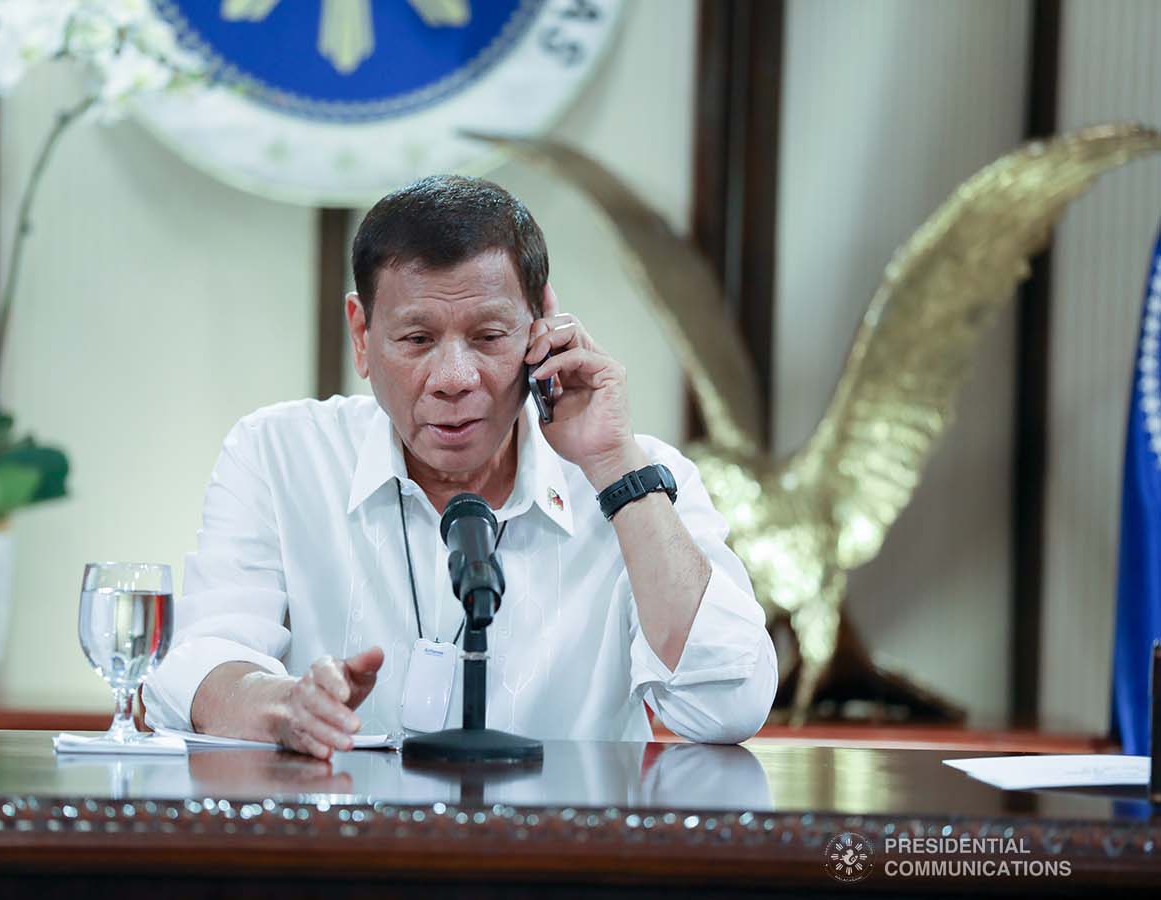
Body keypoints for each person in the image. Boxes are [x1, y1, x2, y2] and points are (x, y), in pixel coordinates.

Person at [143, 175, 777, 757]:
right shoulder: (280, 456)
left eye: (489, 337)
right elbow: (198, 665)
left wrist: (616, 469)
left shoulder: (639, 478)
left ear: (542, 324)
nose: (453, 379)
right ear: (362, 337)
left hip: (565, 865)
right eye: (417, 340)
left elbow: (726, 706)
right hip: (347, 867)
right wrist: (284, 706)